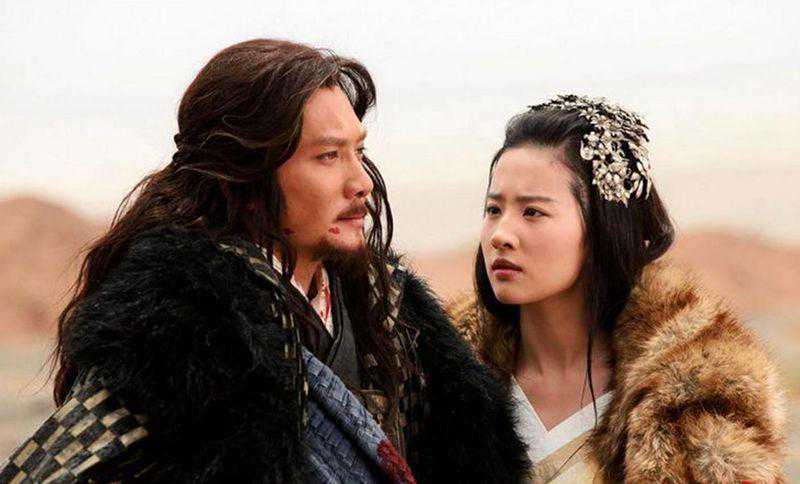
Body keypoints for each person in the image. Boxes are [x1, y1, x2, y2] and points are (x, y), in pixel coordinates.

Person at [0, 39, 529, 483]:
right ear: (247, 175)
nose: (361, 182)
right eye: (328, 156)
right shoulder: (178, 339)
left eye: (359, 151)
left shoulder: (388, 311)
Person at [449, 95, 786, 482]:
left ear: (602, 229)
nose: (501, 235)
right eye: (494, 210)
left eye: (533, 212)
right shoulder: (438, 378)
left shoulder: (702, 404)